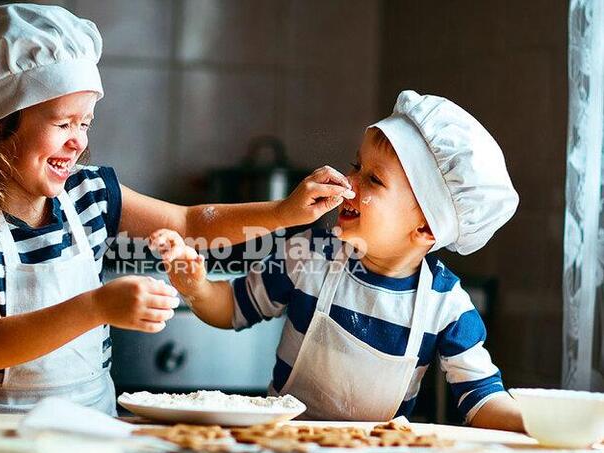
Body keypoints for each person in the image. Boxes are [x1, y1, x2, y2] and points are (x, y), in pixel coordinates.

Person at [0, 4, 351, 414]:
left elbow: (190, 222)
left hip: (92, 425)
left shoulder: (90, 194)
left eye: (85, 123)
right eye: (63, 122)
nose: (79, 141)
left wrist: (284, 213)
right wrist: (96, 307)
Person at [154, 90, 525, 431]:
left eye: (373, 180)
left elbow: (482, 400)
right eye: (355, 165)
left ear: (426, 227)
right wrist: (197, 287)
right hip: (284, 450)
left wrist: (539, 422)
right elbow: (231, 308)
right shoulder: (309, 254)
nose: (349, 183)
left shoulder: (446, 306)